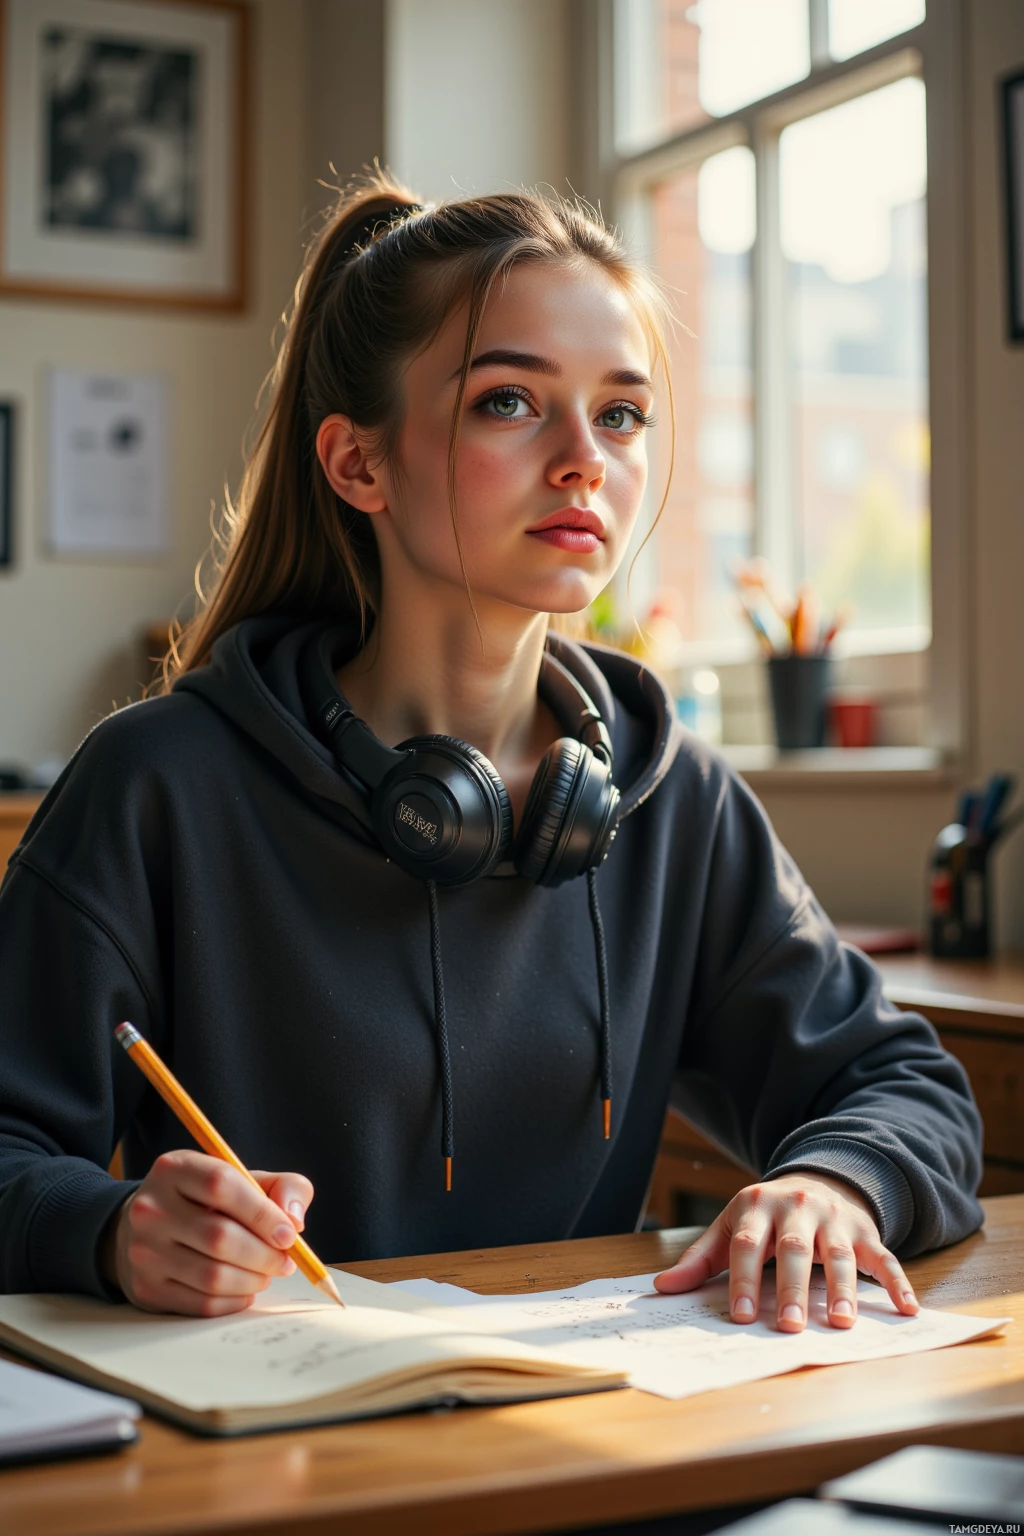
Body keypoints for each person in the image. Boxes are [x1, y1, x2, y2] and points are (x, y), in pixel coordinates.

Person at [0, 173, 982, 1335]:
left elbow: (903, 1086)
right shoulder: (155, 786)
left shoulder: (671, 801)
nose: (585, 462)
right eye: (510, 402)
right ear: (358, 464)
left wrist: (834, 1183)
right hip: (276, 1462)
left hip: (589, 1441)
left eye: (619, 415)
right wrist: (112, 1230)